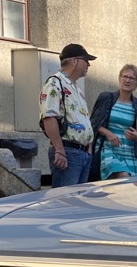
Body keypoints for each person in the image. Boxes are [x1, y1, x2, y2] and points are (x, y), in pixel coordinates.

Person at [39, 43, 96, 187]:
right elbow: (49, 117)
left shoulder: (76, 88)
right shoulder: (55, 83)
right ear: (74, 61)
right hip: (68, 152)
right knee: (65, 198)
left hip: (82, 153)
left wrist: (88, 149)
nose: (88, 65)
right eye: (86, 60)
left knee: (78, 198)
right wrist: (59, 150)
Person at [89, 63, 137, 179]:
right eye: (125, 76)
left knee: (127, 185)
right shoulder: (107, 98)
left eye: (132, 78)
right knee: (123, 175)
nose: (127, 80)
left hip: (128, 151)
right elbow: (93, 123)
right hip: (107, 148)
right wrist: (108, 133)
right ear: (119, 79)